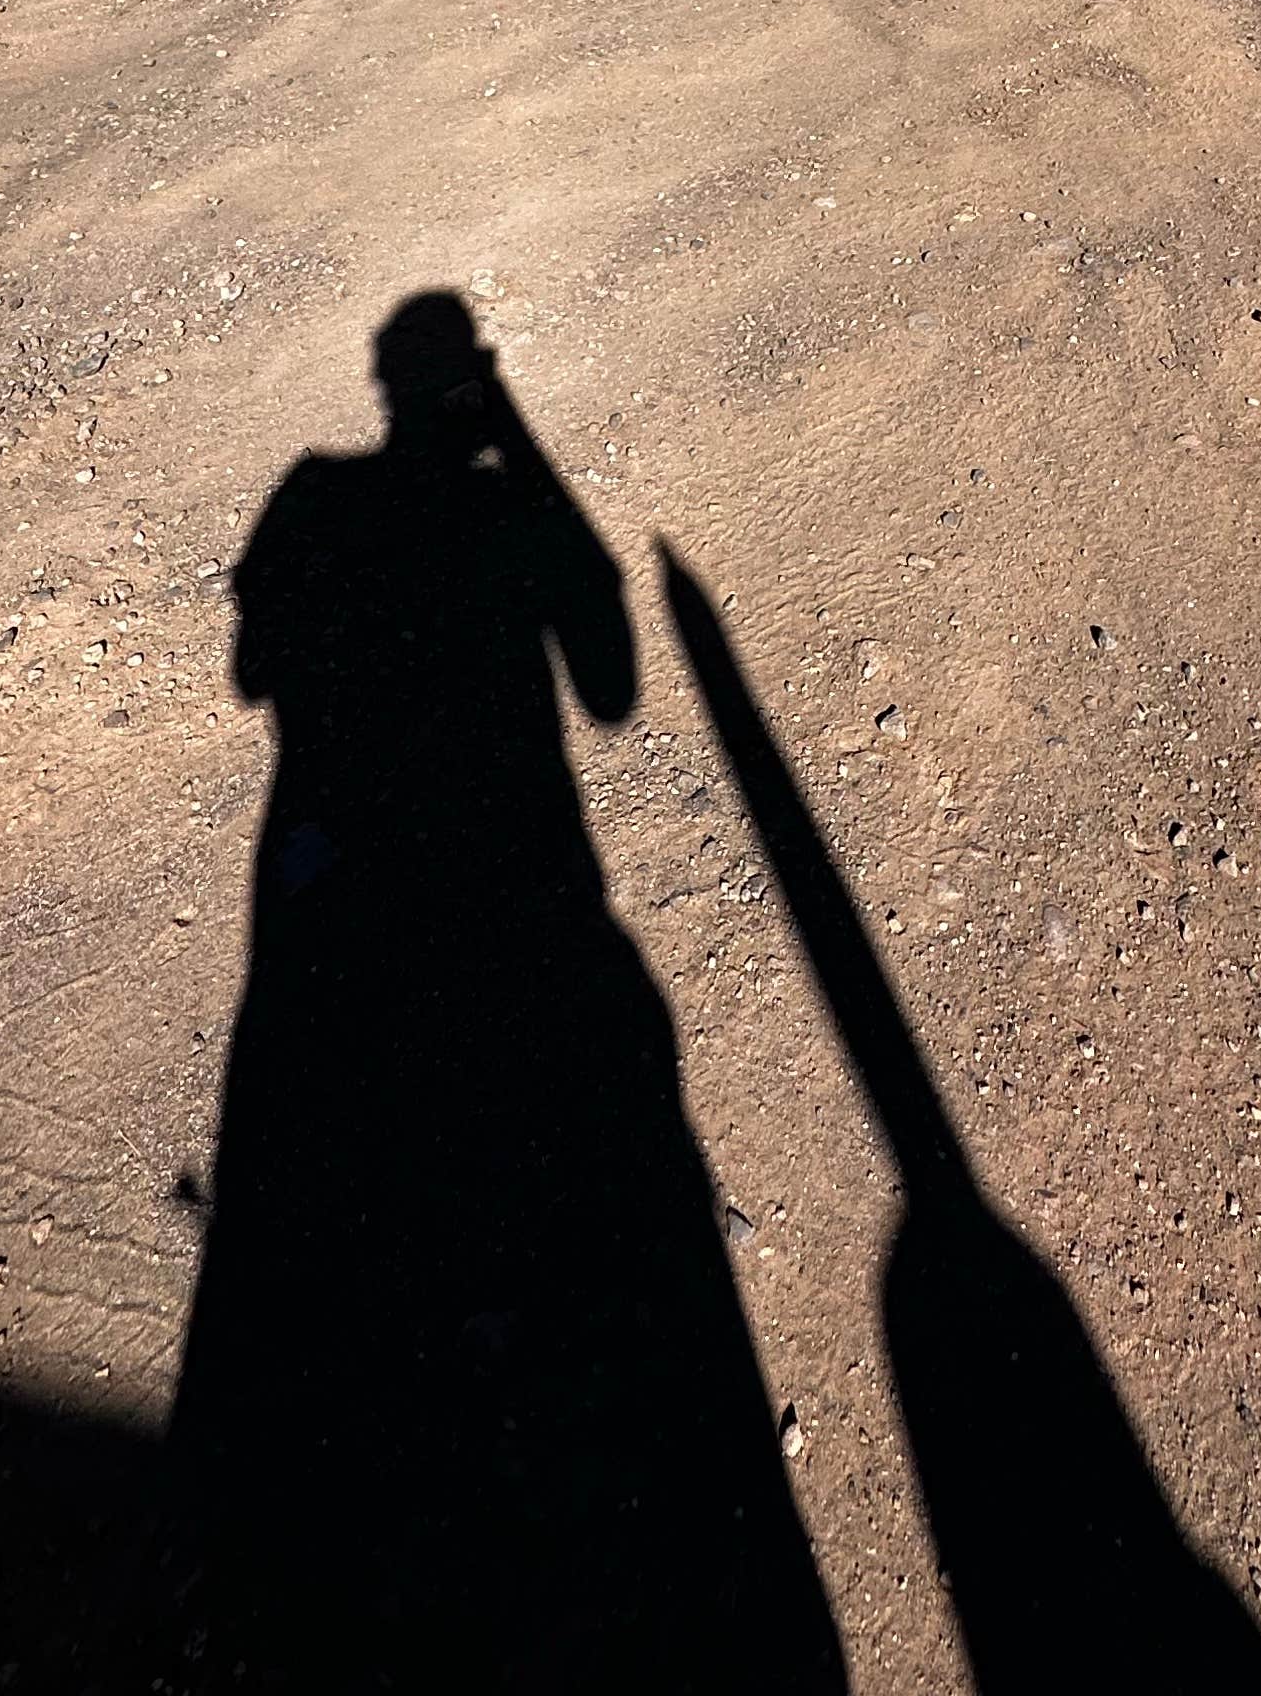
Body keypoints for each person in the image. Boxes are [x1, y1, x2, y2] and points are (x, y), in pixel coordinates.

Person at [173, 294, 845, 1691]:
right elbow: (607, 681)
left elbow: (252, 668)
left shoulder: (312, 497)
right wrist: (517, 448)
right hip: (527, 888)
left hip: (349, 911)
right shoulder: (422, 495)